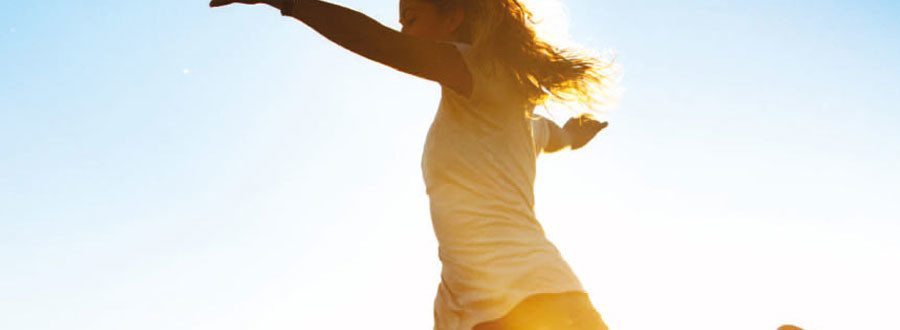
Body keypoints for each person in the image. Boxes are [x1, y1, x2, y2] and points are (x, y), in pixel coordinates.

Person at [210, 0, 615, 329]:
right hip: (485, 304)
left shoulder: (485, 73)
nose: (404, 31)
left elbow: (379, 43)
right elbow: (553, 137)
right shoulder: (508, 112)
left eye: (412, 19)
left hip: (526, 299)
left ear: (453, 16)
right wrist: (575, 134)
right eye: (401, 22)